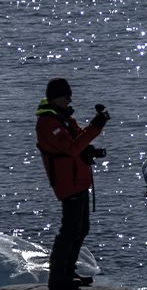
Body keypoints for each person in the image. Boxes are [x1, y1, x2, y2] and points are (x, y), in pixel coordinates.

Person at [35, 78, 110, 290]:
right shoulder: (48, 123)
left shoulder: (62, 118)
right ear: (55, 97)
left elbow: (77, 142)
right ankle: (58, 278)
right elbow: (71, 148)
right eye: (66, 95)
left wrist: (91, 146)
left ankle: (68, 272)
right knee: (69, 230)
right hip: (67, 183)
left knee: (81, 228)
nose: (69, 99)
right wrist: (96, 126)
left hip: (78, 180)